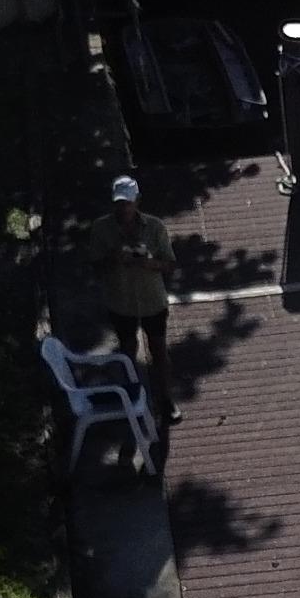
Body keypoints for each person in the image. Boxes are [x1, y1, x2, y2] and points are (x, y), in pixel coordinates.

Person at [84, 174, 177, 420]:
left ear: (137, 201)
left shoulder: (155, 227)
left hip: (152, 300)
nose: (123, 207)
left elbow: (169, 264)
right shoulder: (101, 229)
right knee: (127, 351)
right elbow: (95, 267)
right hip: (120, 301)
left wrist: (149, 263)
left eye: (127, 202)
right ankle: (133, 396)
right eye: (119, 202)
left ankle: (165, 400)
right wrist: (113, 258)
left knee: (158, 349)